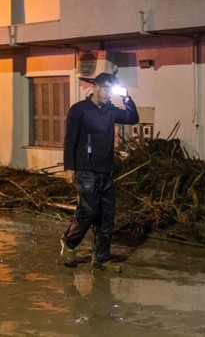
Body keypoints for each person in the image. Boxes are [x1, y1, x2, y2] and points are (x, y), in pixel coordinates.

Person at [60, 72, 139, 273]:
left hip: (106, 171)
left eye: (110, 91)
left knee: (106, 217)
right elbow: (70, 140)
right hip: (85, 171)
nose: (107, 94)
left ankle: (101, 259)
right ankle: (69, 244)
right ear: (95, 88)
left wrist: (127, 98)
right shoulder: (79, 110)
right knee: (88, 211)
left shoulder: (110, 110)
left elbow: (132, 117)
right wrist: (68, 168)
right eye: (105, 89)